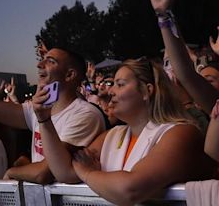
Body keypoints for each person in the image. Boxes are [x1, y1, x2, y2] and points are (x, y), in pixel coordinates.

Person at [33, 55, 215, 205]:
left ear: (146, 91)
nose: (110, 91)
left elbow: (130, 189)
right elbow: (64, 172)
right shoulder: (113, 135)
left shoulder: (181, 133)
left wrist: (88, 173)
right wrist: (44, 119)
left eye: (120, 84)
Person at [0, 16, 105, 183]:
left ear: (70, 75)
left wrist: (13, 172)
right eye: (42, 60)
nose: (39, 65)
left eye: (50, 61)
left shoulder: (84, 115)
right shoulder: (37, 110)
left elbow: (44, 171)